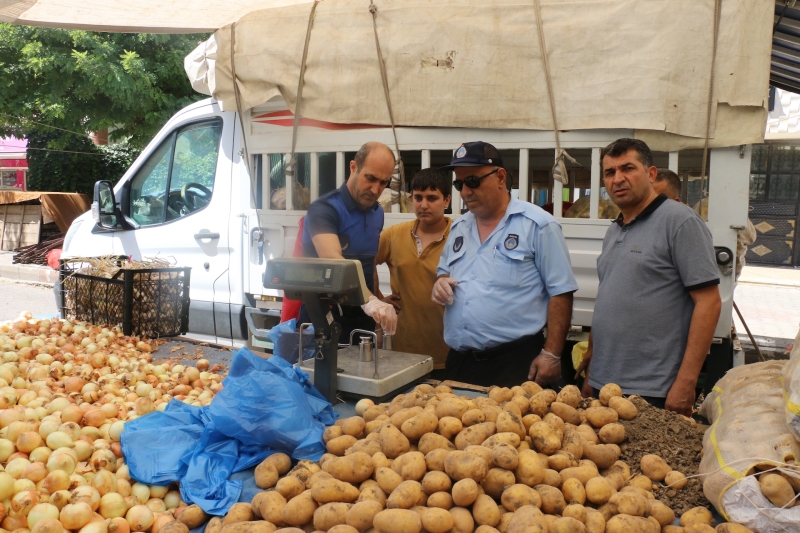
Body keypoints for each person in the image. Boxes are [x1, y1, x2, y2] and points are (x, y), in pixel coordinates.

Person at [580, 138, 721, 416]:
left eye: (628, 168)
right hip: (604, 384)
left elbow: (709, 303)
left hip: (653, 391)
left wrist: (686, 382)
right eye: (610, 172)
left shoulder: (680, 222)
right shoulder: (615, 230)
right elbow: (608, 297)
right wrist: (591, 370)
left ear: (651, 174)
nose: (618, 179)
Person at [431, 141, 579, 388]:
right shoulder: (458, 228)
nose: (465, 192)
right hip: (461, 362)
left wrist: (552, 354)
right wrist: (440, 285)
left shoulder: (538, 225)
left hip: (515, 362)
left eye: (473, 181)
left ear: (500, 177)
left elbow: (561, 291)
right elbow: (443, 274)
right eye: (459, 184)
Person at [299, 142, 398, 339]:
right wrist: (371, 300)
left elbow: (370, 263)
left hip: (362, 320)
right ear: (353, 167)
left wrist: (377, 301)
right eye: (370, 178)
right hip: (323, 318)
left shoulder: (377, 212)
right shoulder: (324, 209)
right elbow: (334, 260)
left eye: (383, 182)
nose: (376, 189)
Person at [374, 168, 452, 375]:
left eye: (432, 198)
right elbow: (365, 263)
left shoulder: (461, 236)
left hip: (449, 353)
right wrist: (377, 299)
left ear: (447, 201)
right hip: (402, 351)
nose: (424, 205)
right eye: (418, 198)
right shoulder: (394, 235)